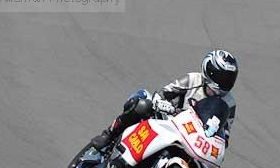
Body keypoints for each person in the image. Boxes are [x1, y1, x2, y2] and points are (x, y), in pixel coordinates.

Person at [91, 49, 238, 151]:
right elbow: (163, 93)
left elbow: (225, 136)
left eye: (229, 79)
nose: (225, 83)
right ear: (209, 71)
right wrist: (163, 104)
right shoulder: (193, 79)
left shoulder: (229, 103)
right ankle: (109, 134)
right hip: (170, 120)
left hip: (193, 140)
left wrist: (217, 139)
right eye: (222, 77)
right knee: (142, 103)